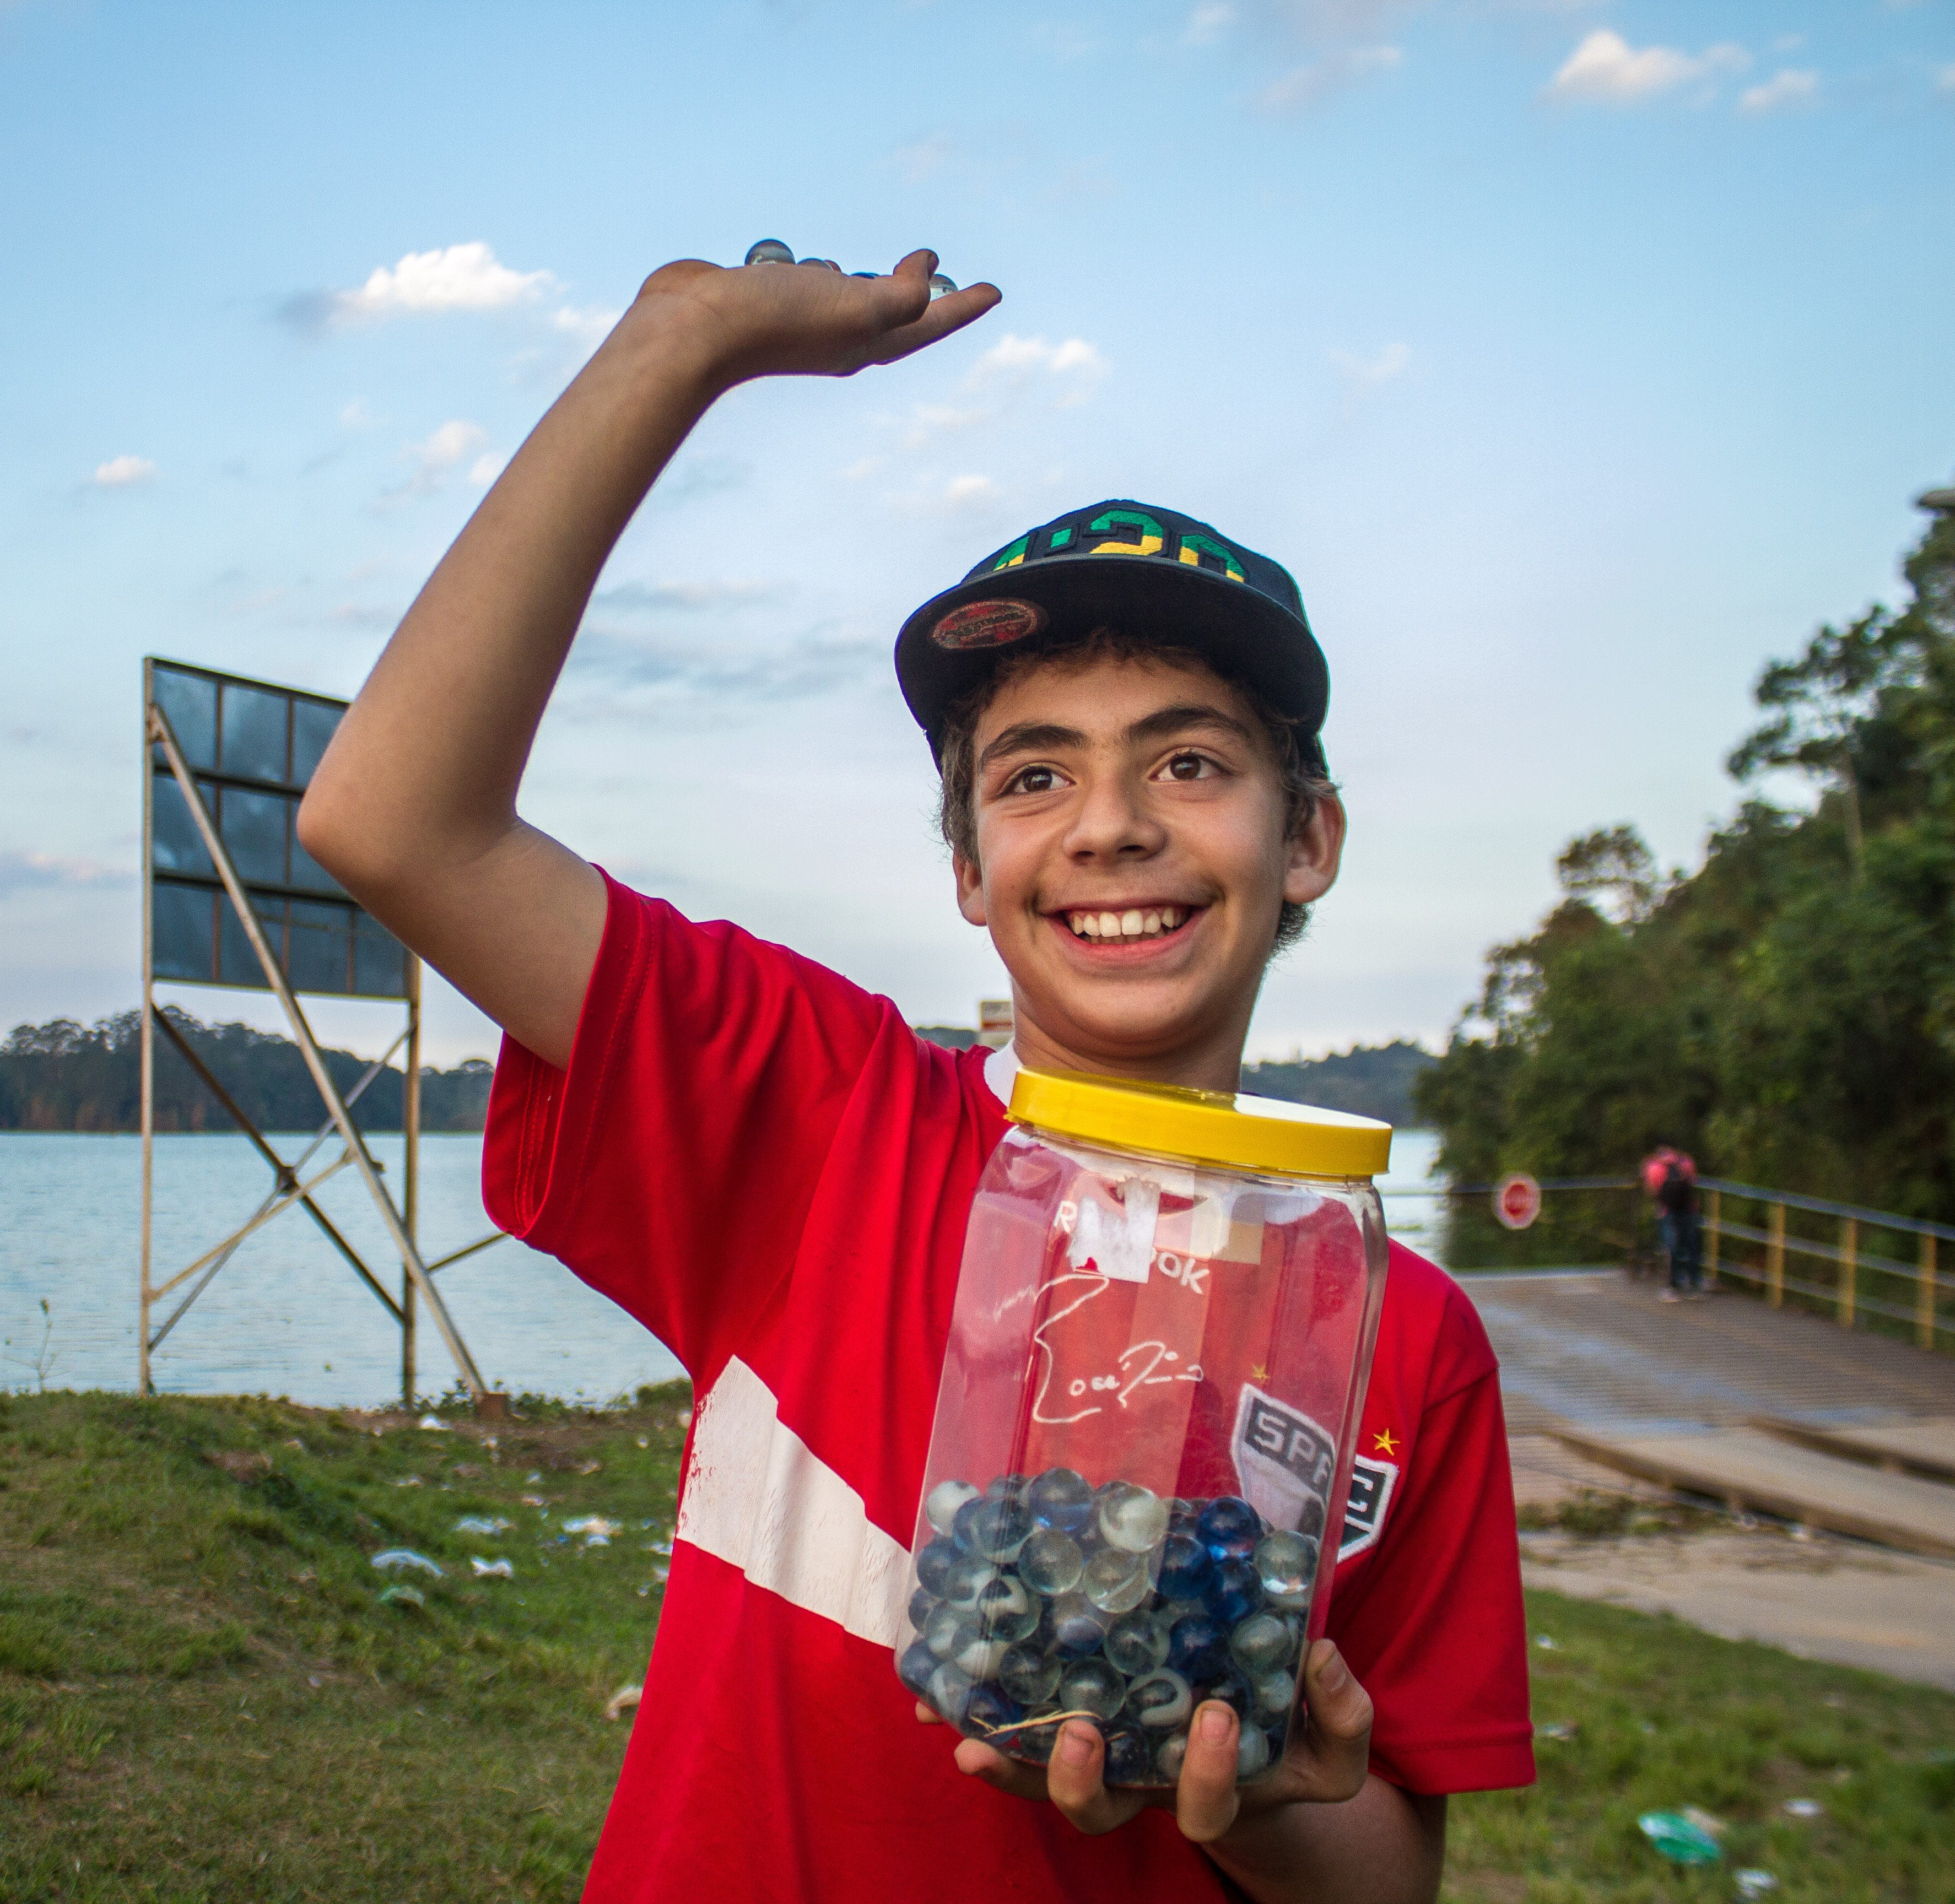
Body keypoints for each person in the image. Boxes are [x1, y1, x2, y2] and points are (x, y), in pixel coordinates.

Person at [299, 248, 1533, 1904]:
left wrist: (1256, 1796)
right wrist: (680, 350)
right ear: (969, 866)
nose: (1112, 824)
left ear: (1303, 837)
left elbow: (1393, 1885)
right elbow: (388, 823)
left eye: (1189, 759)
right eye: (1035, 775)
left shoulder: (1403, 1335)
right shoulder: (820, 1116)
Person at [1645, 1145, 1702, 1300]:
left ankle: (1673, 1287)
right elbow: (1693, 1182)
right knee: (1691, 1246)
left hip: (1667, 1212)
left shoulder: (1654, 1166)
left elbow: (1652, 1190)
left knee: (1671, 1248)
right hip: (1689, 1211)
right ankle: (1694, 1285)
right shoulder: (1686, 1162)